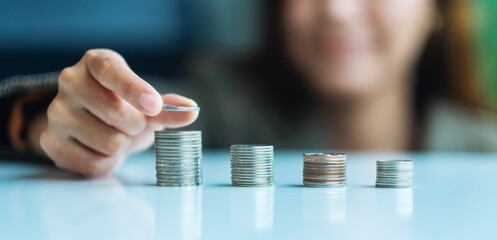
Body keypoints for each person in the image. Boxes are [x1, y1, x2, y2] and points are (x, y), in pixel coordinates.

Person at [1, 0, 496, 175]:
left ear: (438, 7)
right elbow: (125, 110)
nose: (337, 9)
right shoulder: (223, 105)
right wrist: (58, 120)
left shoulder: (486, 154)